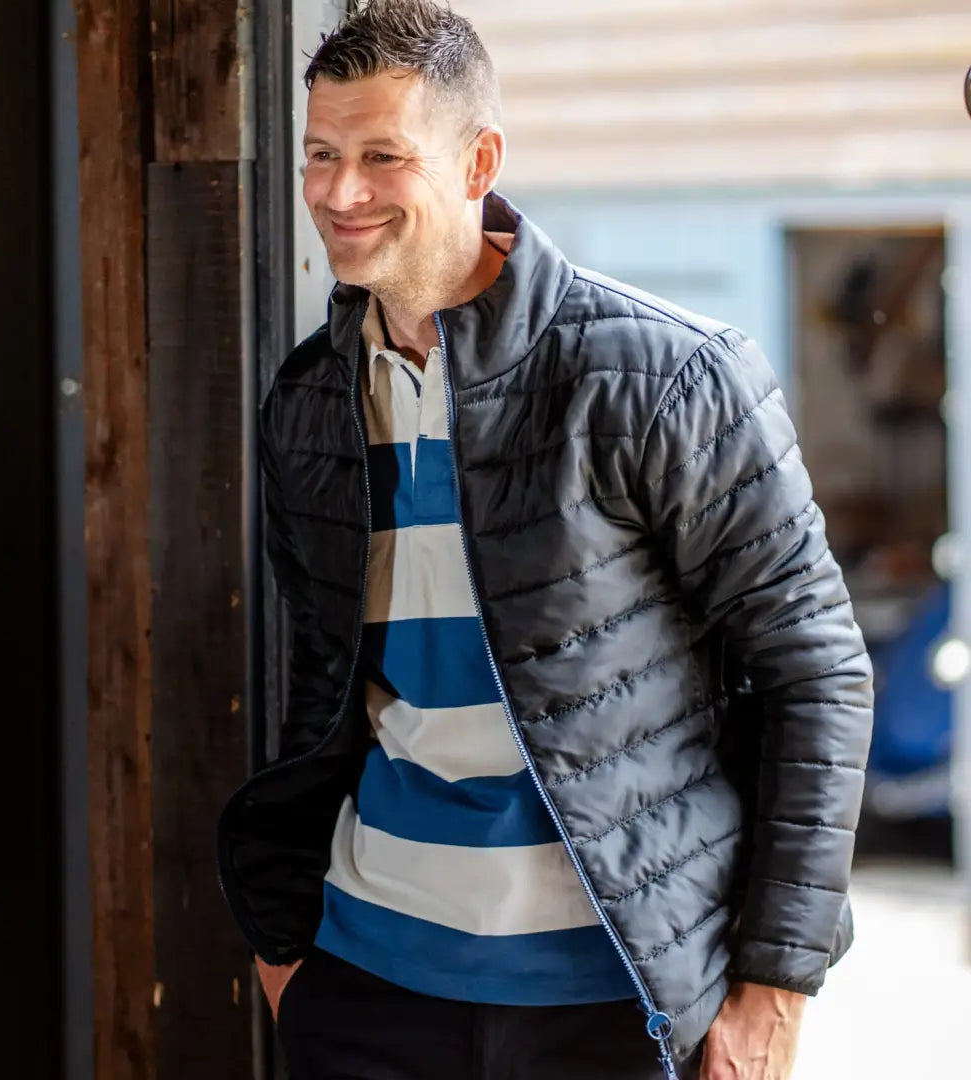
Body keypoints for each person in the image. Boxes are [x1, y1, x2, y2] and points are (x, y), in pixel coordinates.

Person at [218, 2, 873, 1078]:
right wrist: (290, 949)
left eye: (383, 156)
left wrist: (772, 993)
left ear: (480, 161)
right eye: (322, 156)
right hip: (365, 984)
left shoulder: (668, 378)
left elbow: (818, 676)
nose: (340, 194)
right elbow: (321, 685)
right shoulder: (308, 399)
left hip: (613, 1003)